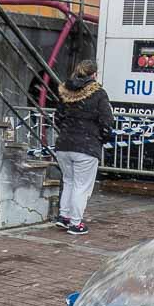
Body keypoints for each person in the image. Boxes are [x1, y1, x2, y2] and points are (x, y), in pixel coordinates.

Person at [53, 60, 114, 236]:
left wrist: (67, 132)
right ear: (94, 75)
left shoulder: (66, 92)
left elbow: (58, 117)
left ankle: (63, 217)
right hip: (86, 147)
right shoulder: (99, 94)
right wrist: (102, 137)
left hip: (64, 144)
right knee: (81, 186)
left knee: (69, 181)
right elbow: (107, 121)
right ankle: (76, 223)